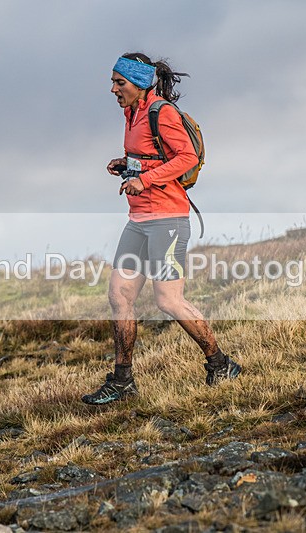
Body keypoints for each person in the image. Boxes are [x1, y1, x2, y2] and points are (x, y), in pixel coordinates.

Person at [81, 52, 241, 405]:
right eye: (113, 82)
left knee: (168, 300)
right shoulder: (131, 113)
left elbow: (187, 157)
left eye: (119, 83)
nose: (113, 89)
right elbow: (152, 156)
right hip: (138, 221)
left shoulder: (161, 112)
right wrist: (128, 165)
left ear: (138, 83)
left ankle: (221, 364)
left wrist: (145, 180)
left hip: (167, 220)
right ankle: (123, 381)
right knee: (119, 296)